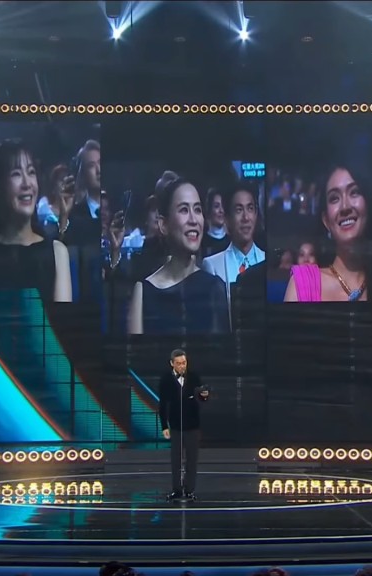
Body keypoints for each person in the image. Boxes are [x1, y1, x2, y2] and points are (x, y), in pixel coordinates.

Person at [0, 140, 73, 303]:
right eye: (16, 174)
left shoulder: (57, 252)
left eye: (31, 172)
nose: (27, 183)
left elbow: (62, 317)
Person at [127, 177, 229, 334]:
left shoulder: (215, 288)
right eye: (184, 210)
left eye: (197, 210)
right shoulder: (143, 292)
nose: (193, 220)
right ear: (164, 225)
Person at [283, 165, 372, 302]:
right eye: (334, 198)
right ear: (326, 220)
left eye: (354, 192)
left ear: (369, 206)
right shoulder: (302, 285)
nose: (345, 207)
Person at [158, 349, 209, 501]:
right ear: (172, 363)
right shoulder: (166, 380)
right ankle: (177, 490)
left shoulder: (194, 377)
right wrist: (164, 426)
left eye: (184, 363)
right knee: (176, 460)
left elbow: (201, 399)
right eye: (179, 363)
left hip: (192, 426)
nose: (182, 366)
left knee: (192, 460)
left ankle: (189, 490)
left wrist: (204, 396)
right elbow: (163, 405)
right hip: (175, 426)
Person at [202, 185, 265, 303]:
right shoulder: (212, 266)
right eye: (239, 210)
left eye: (250, 208)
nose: (246, 217)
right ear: (227, 218)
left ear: (256, 214)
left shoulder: (267, 261)